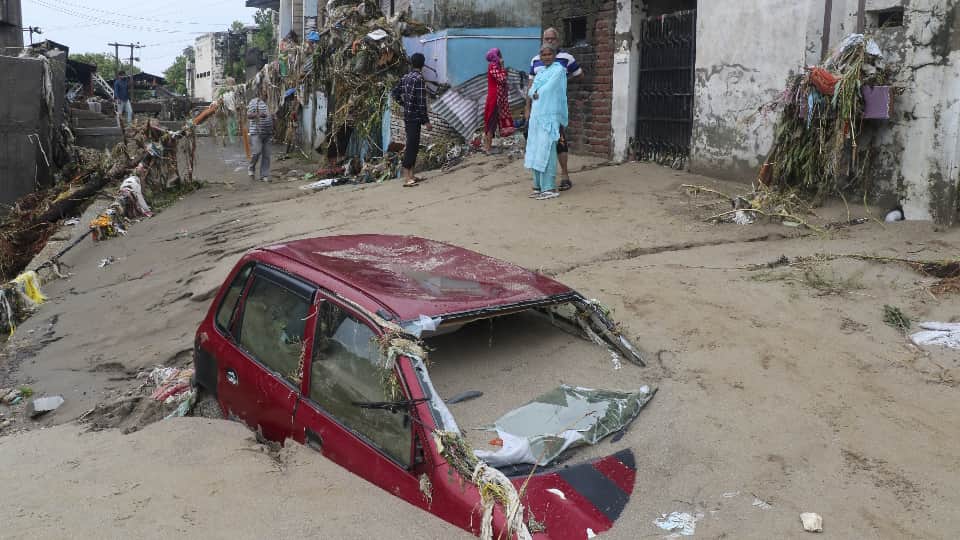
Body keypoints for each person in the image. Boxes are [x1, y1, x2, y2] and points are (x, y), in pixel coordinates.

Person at [526, 27, 583, 191]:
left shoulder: (565, 59)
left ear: (557, 40)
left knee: (559, 142)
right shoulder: (536, 60)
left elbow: (579, 75)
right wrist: (528, 106)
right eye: (546, 38)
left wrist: (562, 82)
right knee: (539, 144)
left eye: (552, 39)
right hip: (538, 110)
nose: (549, 41)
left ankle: (564, 176)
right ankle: (540, 183)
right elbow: (531, 85)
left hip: (554, 109)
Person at [524, 42, 568, 201]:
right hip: (536, 117)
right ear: (540, 57)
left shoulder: (559, 70)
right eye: (544, 55)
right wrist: (534, 92)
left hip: (549, 116)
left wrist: (536, 91)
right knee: (536, 149)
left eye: (549, 54)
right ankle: (538, 186)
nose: (546, 57)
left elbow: (548, 89)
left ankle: (549, 187)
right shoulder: (541, 72)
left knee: (547, 150)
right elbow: (530, 90)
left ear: (554, 55)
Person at [391, 53, 432, 187]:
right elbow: (421, 103)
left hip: (408, 117)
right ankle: (407, 177)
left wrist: (404, 104)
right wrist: (426, 121)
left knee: (413, 145)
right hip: (415, 118)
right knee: (412, 146)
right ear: (422, 64)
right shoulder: (419, 79)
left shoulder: (406, 77)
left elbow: (395, 93)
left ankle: (412, 174)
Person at [482, 48, 515, 154]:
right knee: (491, 123)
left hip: (498, 99)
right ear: (495, 56)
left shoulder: (494, 66)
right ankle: (487, 148)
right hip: (495, 99)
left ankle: (488, 147)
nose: (501, 56)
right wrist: (502, 66)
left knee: (493, 123)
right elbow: (502, 79)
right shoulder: (493, 66)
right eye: (498, 54)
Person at [246, 86, 274, 182]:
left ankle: (264, 175)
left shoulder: (272, 102)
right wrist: (258, 115)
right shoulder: (254, 102)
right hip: (256, 132)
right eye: (265, 90)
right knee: (257, 152)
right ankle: (251, 168)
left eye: (268, 90)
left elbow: (274, 114)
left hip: (268, 132)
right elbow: (248, 115)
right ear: (261, 92)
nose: (267, 92)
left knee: (266, 154)